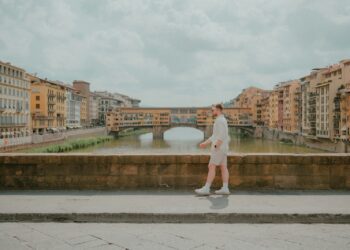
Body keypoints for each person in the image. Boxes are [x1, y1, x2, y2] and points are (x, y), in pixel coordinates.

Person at [195, 103, 230, 195]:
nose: (212, 112)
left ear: (218, 110)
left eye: (213, 110)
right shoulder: (221, 120)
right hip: (223, 148)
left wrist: (215, 146)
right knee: (223, 167)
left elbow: (222, 135)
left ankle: (206, 188)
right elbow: (215, 135)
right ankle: (225, 188)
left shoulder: (220, 121)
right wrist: (205, 143)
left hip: (219, 148)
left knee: (211, 166)